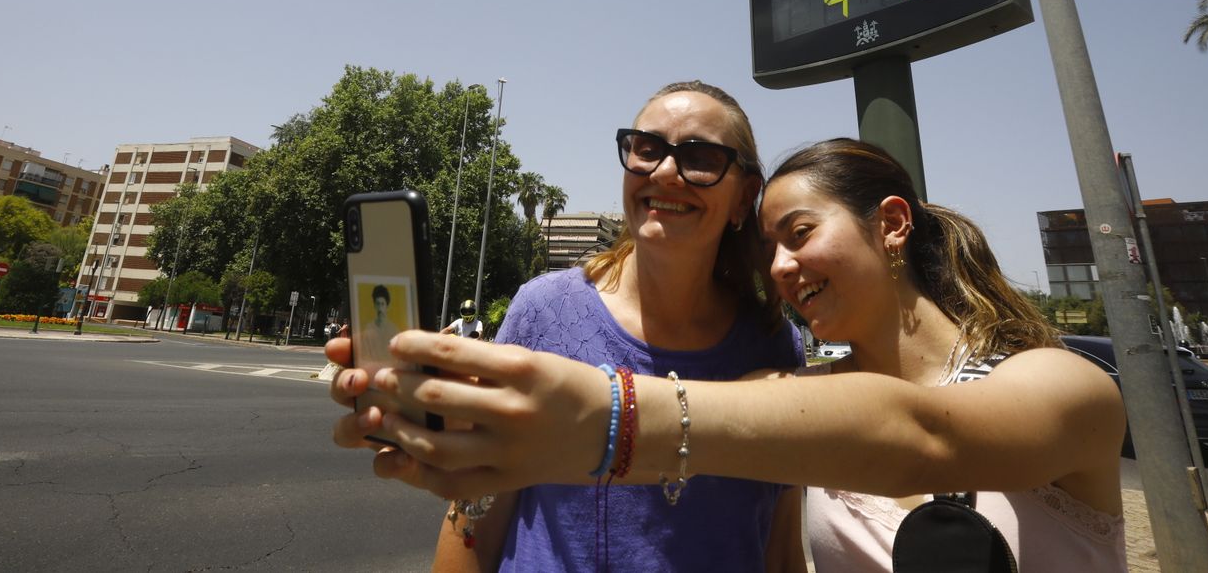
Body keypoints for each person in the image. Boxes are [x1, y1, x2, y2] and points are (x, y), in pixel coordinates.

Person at [334, 138, 1128, 573]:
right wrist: (478, 439)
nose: (781, 267)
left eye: (801, 234)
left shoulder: (1064, 385)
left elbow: (927, 437)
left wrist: (608, 418)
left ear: (891, 223)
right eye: (769, 247)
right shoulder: (790, 388)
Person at [330, 81, 805, 572]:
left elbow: (782, 546)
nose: (665, 171)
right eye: (647, 149)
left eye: (700, 157)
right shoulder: (545, 309)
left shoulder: (774, 344)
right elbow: (474, 515)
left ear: (744, 197)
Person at [355, 284, 400, 367]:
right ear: (374, 305)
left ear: (387, 306)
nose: (380, 308)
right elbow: (365, 354)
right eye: (378, 304)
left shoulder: (394, 329)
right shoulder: (368, 328)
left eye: (382, 304)